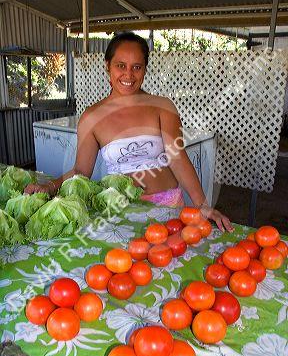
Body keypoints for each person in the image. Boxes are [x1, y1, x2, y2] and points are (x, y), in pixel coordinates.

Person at [25, 32, 232, 232]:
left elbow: (177, 157)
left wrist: (201, 204)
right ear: (108, 66)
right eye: (120, 65)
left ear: (145, 69)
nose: (128, 75)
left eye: (137, 67)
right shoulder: (92, 117)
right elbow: (81, 171)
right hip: (119, 211)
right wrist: (51, 187)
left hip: (167, 206)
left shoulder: (162, 107)